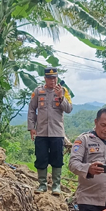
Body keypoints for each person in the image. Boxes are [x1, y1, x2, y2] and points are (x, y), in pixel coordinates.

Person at [27, 67, 73, 195]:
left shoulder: (63, 91)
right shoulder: (38, 91)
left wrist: (61, 97)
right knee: (41, 158)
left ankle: (56, 186)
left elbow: (69, 109)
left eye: (54, 78)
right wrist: (31, 127)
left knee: (57, 159)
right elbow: (31, 109)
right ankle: (42, 185)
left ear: (57, 78)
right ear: (45, 78)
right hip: (41, 132)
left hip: (57, 132)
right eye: (49, 78)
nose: (52, 81)